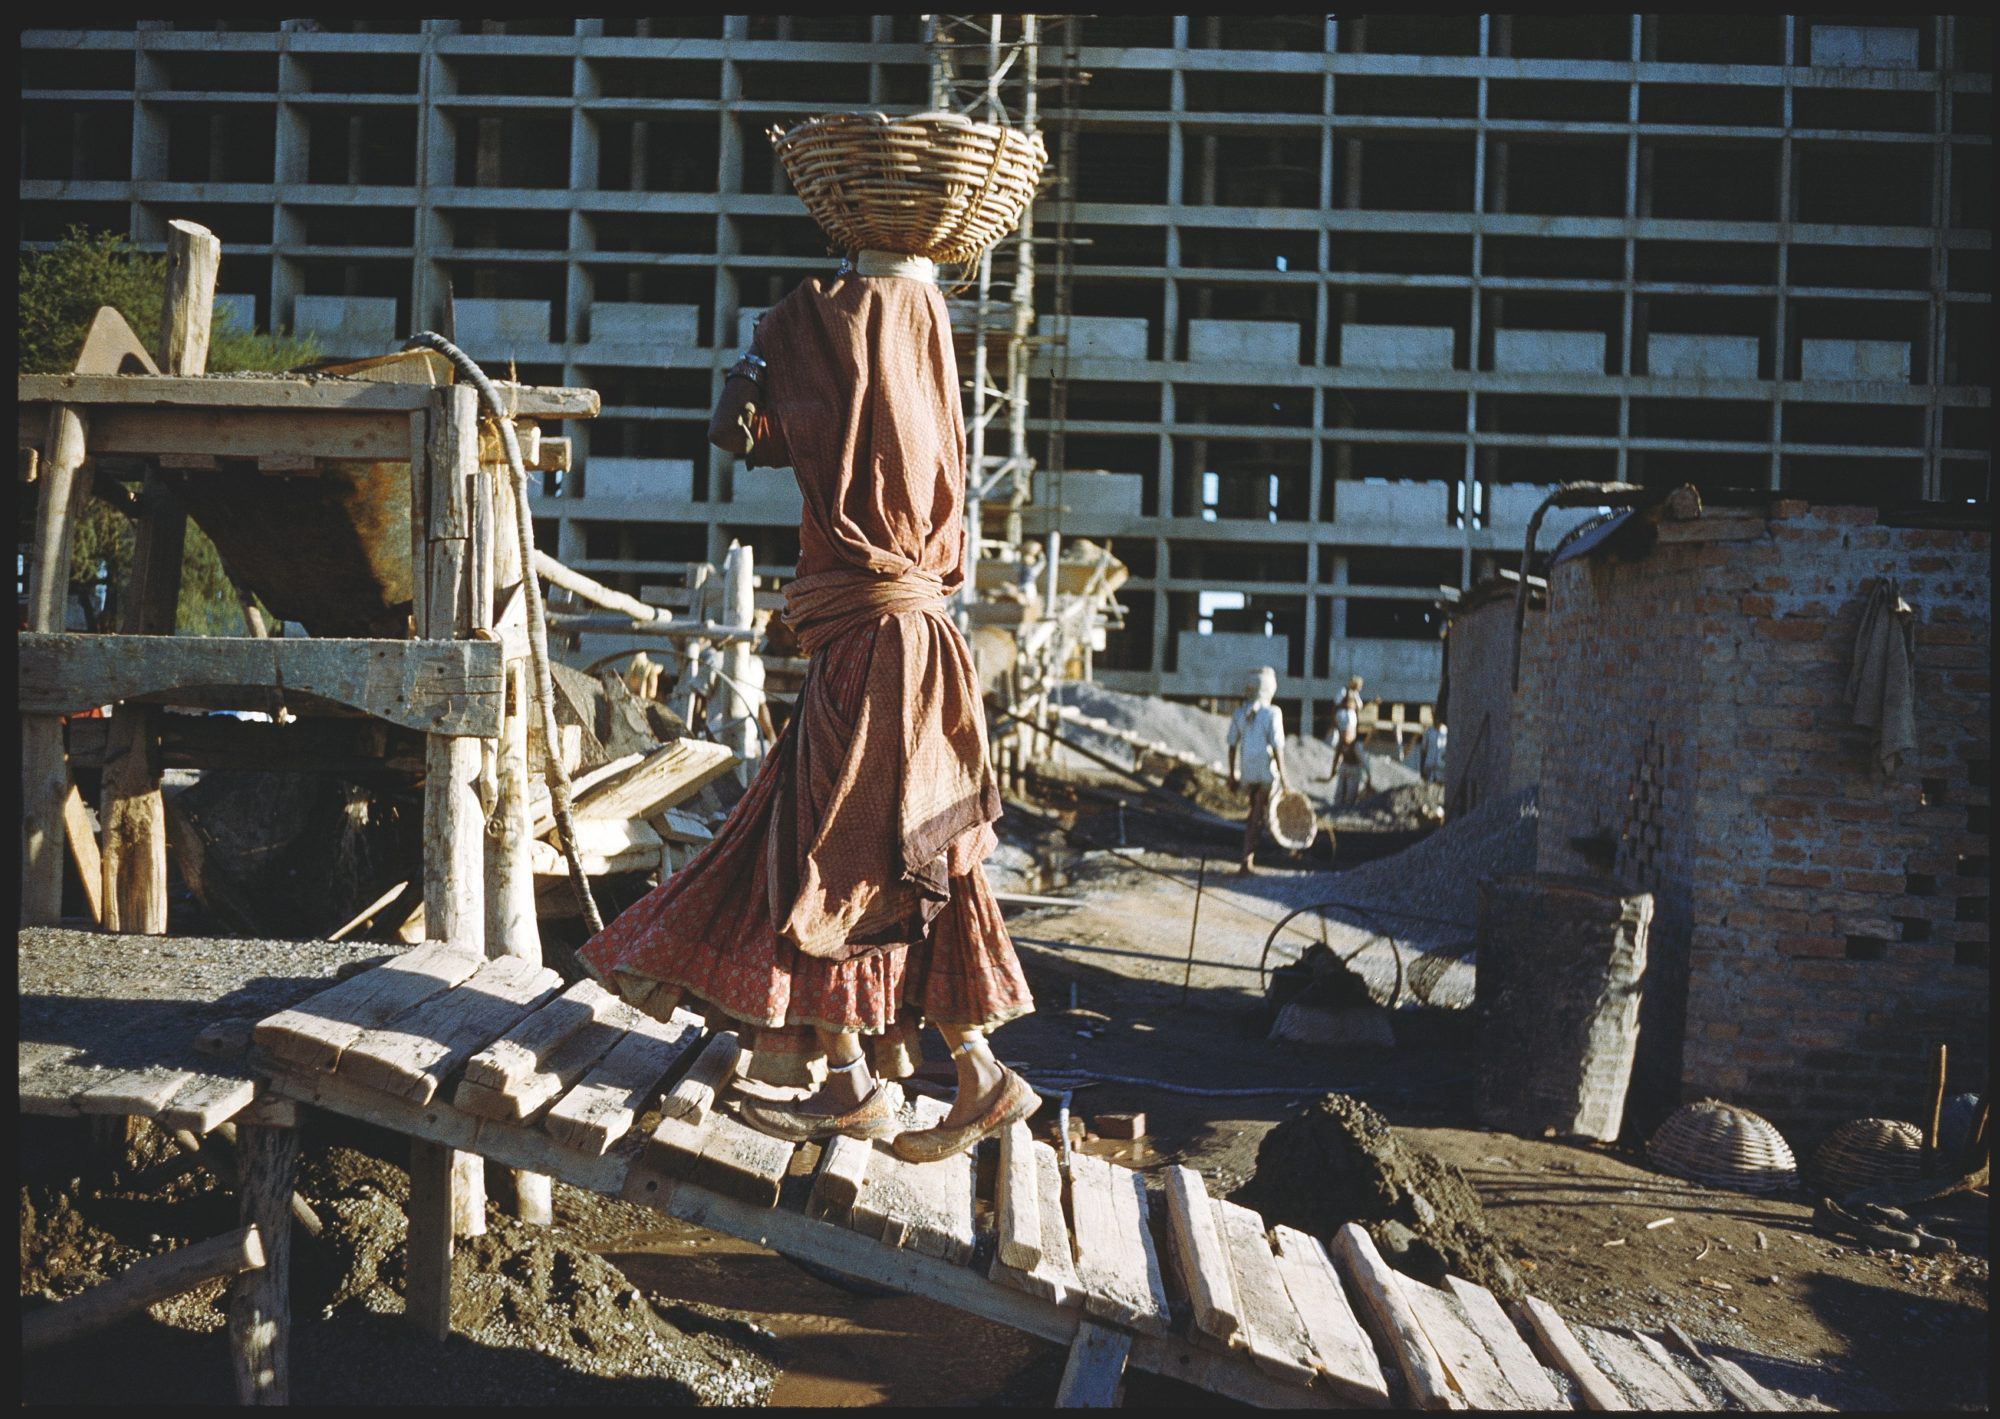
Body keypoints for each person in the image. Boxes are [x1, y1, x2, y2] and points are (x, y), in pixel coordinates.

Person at [576, 248, 1037, 1163]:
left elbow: (733, 430)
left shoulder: (839, 327)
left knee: (817, 857)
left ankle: (860, 1079)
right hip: (916, 649)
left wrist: (760, 354)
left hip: (869, 653)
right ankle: (963, 1073)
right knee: (914, 859)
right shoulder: (928, 353)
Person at [1225, 666, 1288, 875]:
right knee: (1258, 815)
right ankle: (1246, 861)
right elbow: (1278, 747)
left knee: (1255, 811)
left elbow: (1232, 745)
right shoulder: (1273, 713)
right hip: (1265, 772)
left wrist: (1232, 774)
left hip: (1248, 771)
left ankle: (1248, 857)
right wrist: (1286, 780)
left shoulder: (1240, 713)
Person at [1326, 675, 1367, 807]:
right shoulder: (1343, 692)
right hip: (1345, 767)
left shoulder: (1356, 747)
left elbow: (1364, 763)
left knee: (1349, 798)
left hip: (1354, 769)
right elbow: (1335, 705)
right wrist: (1333, 771)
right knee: (1339, 796)